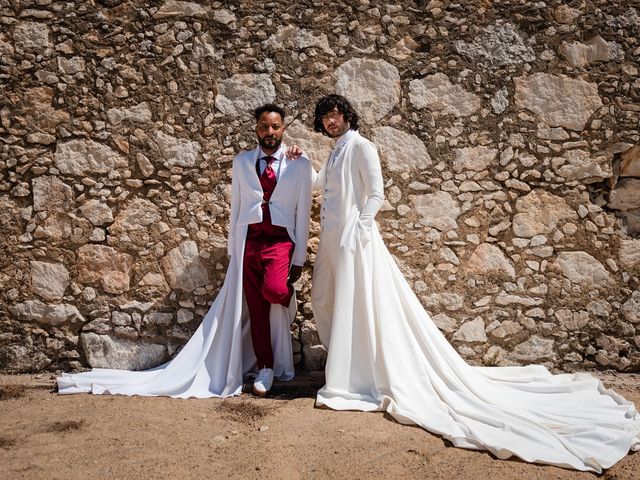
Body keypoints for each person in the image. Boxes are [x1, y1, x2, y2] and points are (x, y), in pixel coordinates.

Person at [309, 94, 640, 472]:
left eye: (335, 115)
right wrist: (300, 160)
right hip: (333, 241)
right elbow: (320, 184)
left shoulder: (362, 146)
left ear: (346, 115)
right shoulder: (334, 151)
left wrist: (361, 228)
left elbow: (377, 194)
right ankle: (347, 368)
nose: (331, 121)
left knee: (359, 304)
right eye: (325, 118)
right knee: (324, 298)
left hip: (355, 240)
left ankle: (353, 376)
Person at [57, 104, 314, 398]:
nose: (270, 132)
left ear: (283, 128)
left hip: (280, 241)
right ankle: (265, 367)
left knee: (273, 290)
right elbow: (237, 209)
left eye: (275, 127)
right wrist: (234, 251)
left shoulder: (299, 164)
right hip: (250, 242)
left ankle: (286, 295)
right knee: (255, 310)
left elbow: (303, 212)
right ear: (256, 129)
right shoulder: (242, 162)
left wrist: (299, 258)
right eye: (264, 127)